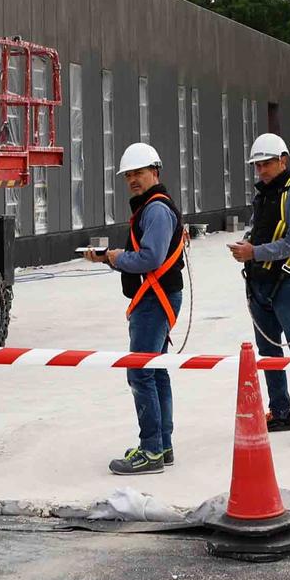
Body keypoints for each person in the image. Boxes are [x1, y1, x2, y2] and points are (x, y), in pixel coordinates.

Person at [84, 142, 187, 475]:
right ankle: (162, 445)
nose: (133, 180)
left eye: (138, 173)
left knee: (140, 372)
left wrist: (117, 258)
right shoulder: (152, 207)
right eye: (128, 175)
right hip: (157, 296)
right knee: (154, 371)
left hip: (155, 300)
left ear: (154, 172)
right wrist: (110, 259)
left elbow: (151, 258)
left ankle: (152, 450)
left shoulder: (155, 209)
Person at [228, 132, 290, 446]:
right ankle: (280, 412)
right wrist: (248, 243)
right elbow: (259, 227)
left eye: (267, 163)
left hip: (287, 284)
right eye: (258, 165)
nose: (262, 170)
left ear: (282, 161)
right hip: (259, 283)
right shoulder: (264, 194)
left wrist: (254, 252)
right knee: (269, 352)